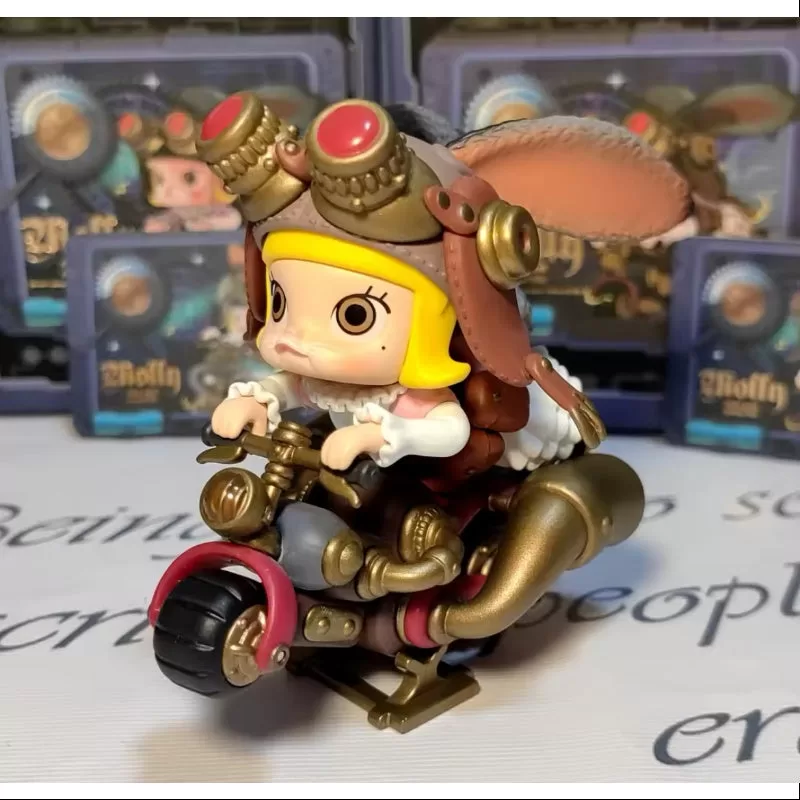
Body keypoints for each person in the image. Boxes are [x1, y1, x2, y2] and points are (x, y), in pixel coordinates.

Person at [195, 94, 688, 473]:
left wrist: (389, 436)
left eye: (355, 315)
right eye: (280, 301)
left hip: (430, 474)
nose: (295, 339)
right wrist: (253, 400)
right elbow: (289, 387)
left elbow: (449, 430)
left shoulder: (417, 391)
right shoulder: (324, 375)